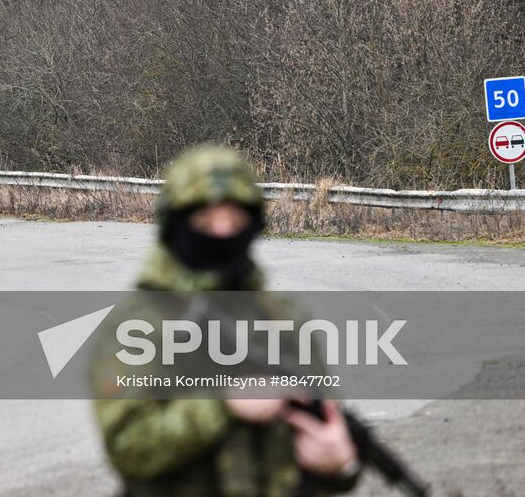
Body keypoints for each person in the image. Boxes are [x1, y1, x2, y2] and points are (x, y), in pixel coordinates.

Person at [92, 146, 361, 497]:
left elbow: (322, 427)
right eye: (204, 223)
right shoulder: (140, 324)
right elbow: (129, 448)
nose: (221, 235)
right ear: (176, 226)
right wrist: (221, 402)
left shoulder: (281, 317)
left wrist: (340, 466)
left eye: (235, 223)